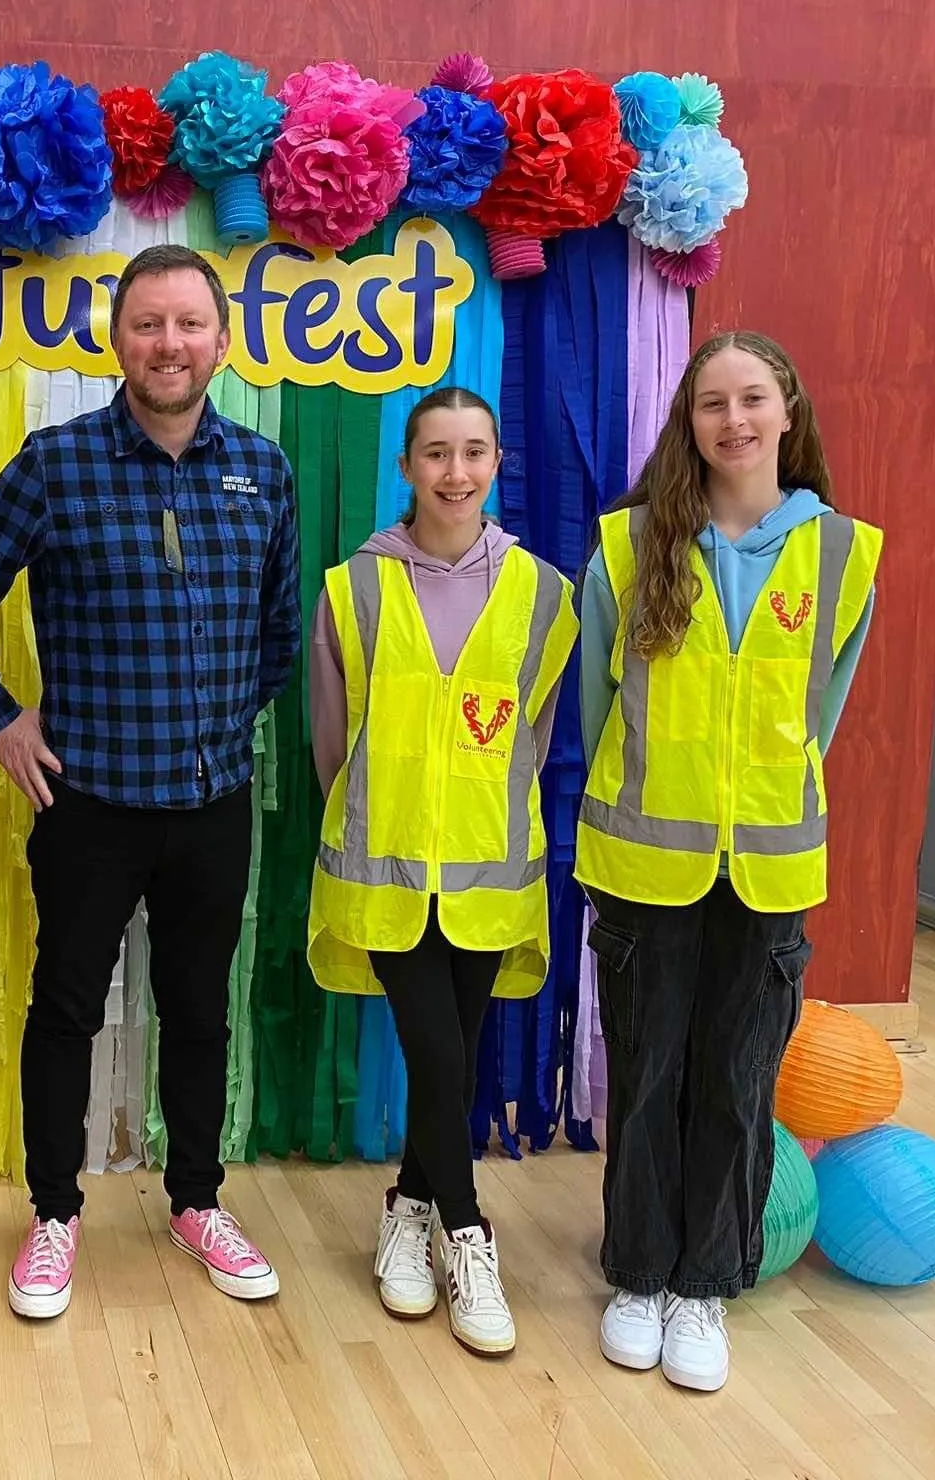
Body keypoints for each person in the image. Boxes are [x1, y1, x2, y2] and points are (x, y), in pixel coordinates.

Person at [0, 243, 302, 1317]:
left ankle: (195, 1201)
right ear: (117, 340)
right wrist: (2, 719)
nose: (168, 344)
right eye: (147, 325)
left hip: (212, 802)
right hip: (85, 801)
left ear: (220, 341)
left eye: (188, 324)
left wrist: (220, 723)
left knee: (196, 1012)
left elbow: (279, 632)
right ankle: (53, 1215)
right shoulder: (55, 464)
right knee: (65, 1010)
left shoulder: (260, 472)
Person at [577, 331, 881, 1393]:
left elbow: (817, 720)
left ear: (786, 411)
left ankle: (704, 1285)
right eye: (711, 403)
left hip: (767, 865)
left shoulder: (843, 554)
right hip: (641, 862)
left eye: (751, 399)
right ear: (689, 422)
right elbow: (592, 710)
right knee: (648, 1075)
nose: (733, 420)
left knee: (737, 1081)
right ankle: (637, 1274)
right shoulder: (625, 547)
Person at [307, 387, 575, 1355]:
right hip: (383, 869)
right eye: (432, 453)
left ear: (496, 462)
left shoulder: (547, 594)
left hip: (487, 871)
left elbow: (533, 739)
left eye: (471, 453)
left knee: (448, 1054)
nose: (452, 473)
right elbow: (331, 746)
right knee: (438, 1055)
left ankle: (406, 1206)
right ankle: (466, 1231)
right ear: (404, 466)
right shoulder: (352, 587)